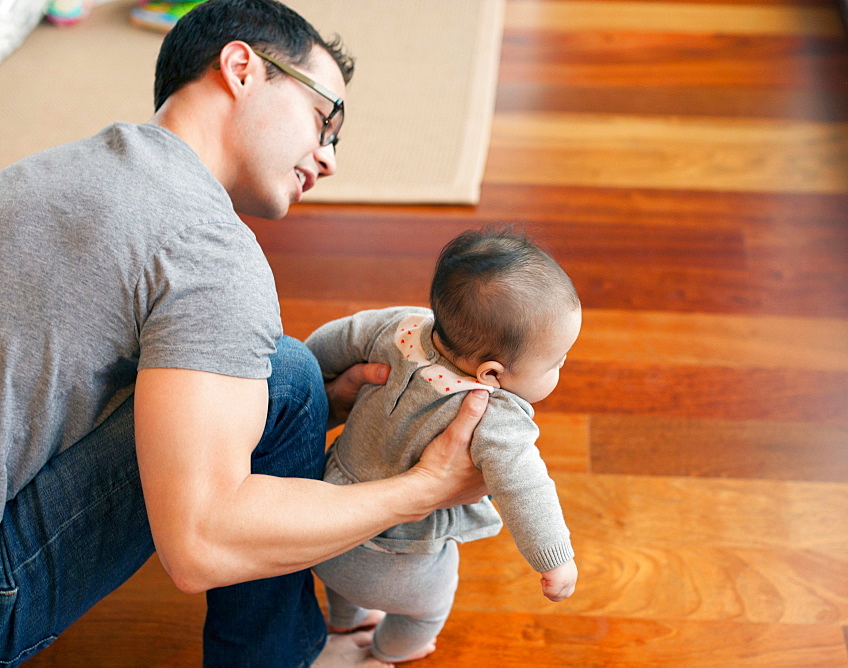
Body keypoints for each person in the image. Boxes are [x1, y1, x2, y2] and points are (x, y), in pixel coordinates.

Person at [0, 0, 489, 665]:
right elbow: (200, 547)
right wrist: (424, 489)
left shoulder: (47, 173)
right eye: (326, 120)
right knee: (285, 378)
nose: (328, 159)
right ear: (240, 67)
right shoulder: (208, 248)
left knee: (288, 383)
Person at [305, 227, 581, 664]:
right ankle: (388, 653)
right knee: (428, 609)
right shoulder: (494, 413)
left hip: (320, 523)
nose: (562, 368)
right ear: (490, 374)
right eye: (557, 362)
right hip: (398, 561)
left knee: (344, 585)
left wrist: (308, 376)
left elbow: (338, 338)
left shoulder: (402, 327)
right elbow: (527, 488)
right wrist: (555, 558)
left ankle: (344, 620)